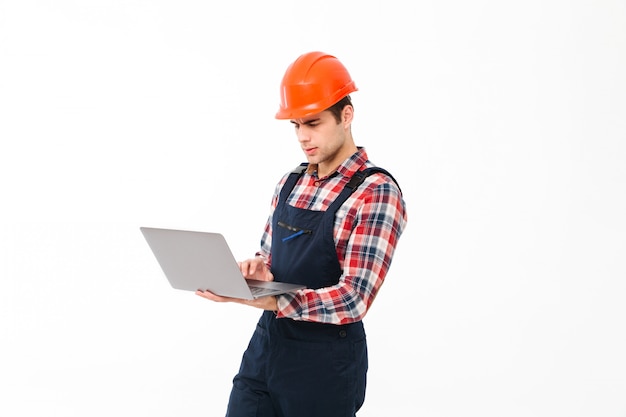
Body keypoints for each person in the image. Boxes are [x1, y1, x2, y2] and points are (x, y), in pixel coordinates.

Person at [196, 51, 408, 417]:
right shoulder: (291, 181)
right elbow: (270, 258)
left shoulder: (375, 192)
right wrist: (259, 272)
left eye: (312, 123)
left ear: (346, 115)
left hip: (325, 366)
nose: (302, 137)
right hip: (267, 348)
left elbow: (354, 298)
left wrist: (274, 302)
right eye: (295, 125)